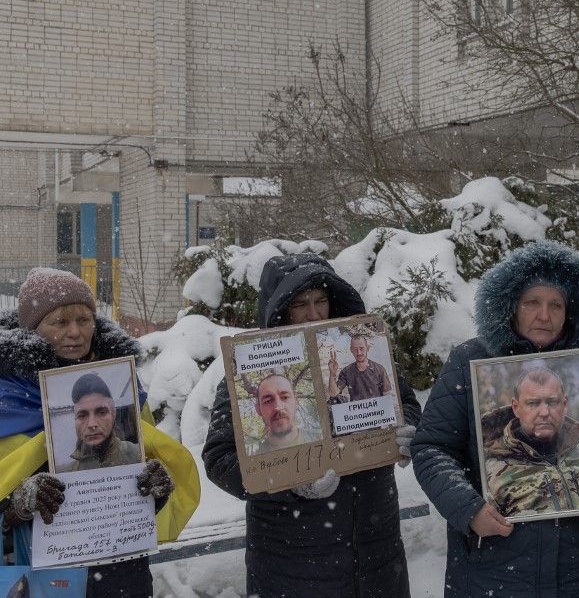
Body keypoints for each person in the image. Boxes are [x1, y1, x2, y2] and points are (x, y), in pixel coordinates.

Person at [411, 241, 579, 596]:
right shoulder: (468, 361)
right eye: (532, 302)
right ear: (511, 306)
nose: (544, 315)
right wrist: (469, 509)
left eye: (556, 305)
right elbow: (432, 449)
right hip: (492, 568)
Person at [202, 253, 421, 597]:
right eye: (301, 304)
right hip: (292, 565)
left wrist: (408, 430)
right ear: (280, 310)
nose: (315, 313)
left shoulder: (364, 350)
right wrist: (291, 480)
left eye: (321, 301)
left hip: (377, 555)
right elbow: (219, 458)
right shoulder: (250, 371)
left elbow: (403, 401)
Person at [0, 268, 197, 597]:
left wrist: (156, 491)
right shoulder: (8, 399)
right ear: (31, 329)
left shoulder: (125, 386)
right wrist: (15, 506)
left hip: (123, 570)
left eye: (84, 319)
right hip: (42, 575)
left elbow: (143, 472)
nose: (75, 332)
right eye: (59, 323)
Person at [482, 366, 579, 518]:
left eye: (552, 402)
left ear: (564, 404)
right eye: (533, 403)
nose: (544, 413)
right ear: (516, 407)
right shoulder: (491, 469)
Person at [67, 372, 142, 471]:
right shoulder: (64, 474)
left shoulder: (140, 455)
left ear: (113, 414)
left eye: (101, 412)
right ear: (75, 419)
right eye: (82, 415)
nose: (92, 424)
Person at [249, 373, 319, 455]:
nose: (278, 407)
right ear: (258, 409)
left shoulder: (321, 438)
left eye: (285, 397)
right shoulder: (250, 454)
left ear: (296, 402)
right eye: (268, 401)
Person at [327, 334, 393, 403]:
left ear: (367, 348)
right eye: (355, 349)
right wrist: (332, 374)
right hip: (357, 412)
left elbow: (387, 396)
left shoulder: (379, 369)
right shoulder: (346, 371)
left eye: (361, 348)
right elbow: (333, 394)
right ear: (351, 350)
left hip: (376, 411)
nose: (359, 353)